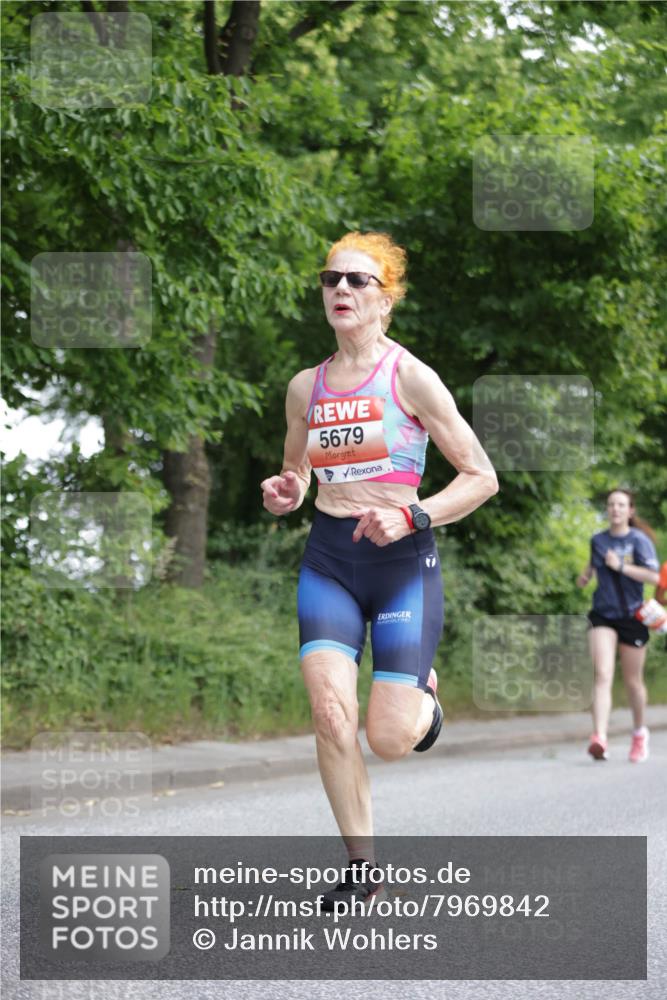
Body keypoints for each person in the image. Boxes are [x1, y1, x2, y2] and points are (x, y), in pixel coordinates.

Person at [261, 231, 498, 908]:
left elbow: (480, 478)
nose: (340, 288)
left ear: (384, 302)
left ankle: (421, 692)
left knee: (389, 739)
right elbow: (296, 468)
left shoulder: (410, 378)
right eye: (331, 278)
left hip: (400, 562)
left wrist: (414, 514)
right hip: (330, 560)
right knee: (331, 713)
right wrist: (288, 490)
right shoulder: (305, 386)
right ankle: (361, 866)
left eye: (357, 281)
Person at [577, 488, 660, 763]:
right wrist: (586, 575)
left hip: (632, 617)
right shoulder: (598, 539)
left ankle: (639, 733)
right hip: (603, 614)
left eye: (621, 505)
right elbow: (594, 563)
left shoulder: (639, 541)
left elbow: (653, 576)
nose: (615, 509)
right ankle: (599, 737)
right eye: (611, 504)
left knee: (633, 682)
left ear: (630, 511)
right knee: (602, 674)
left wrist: (621, 567)